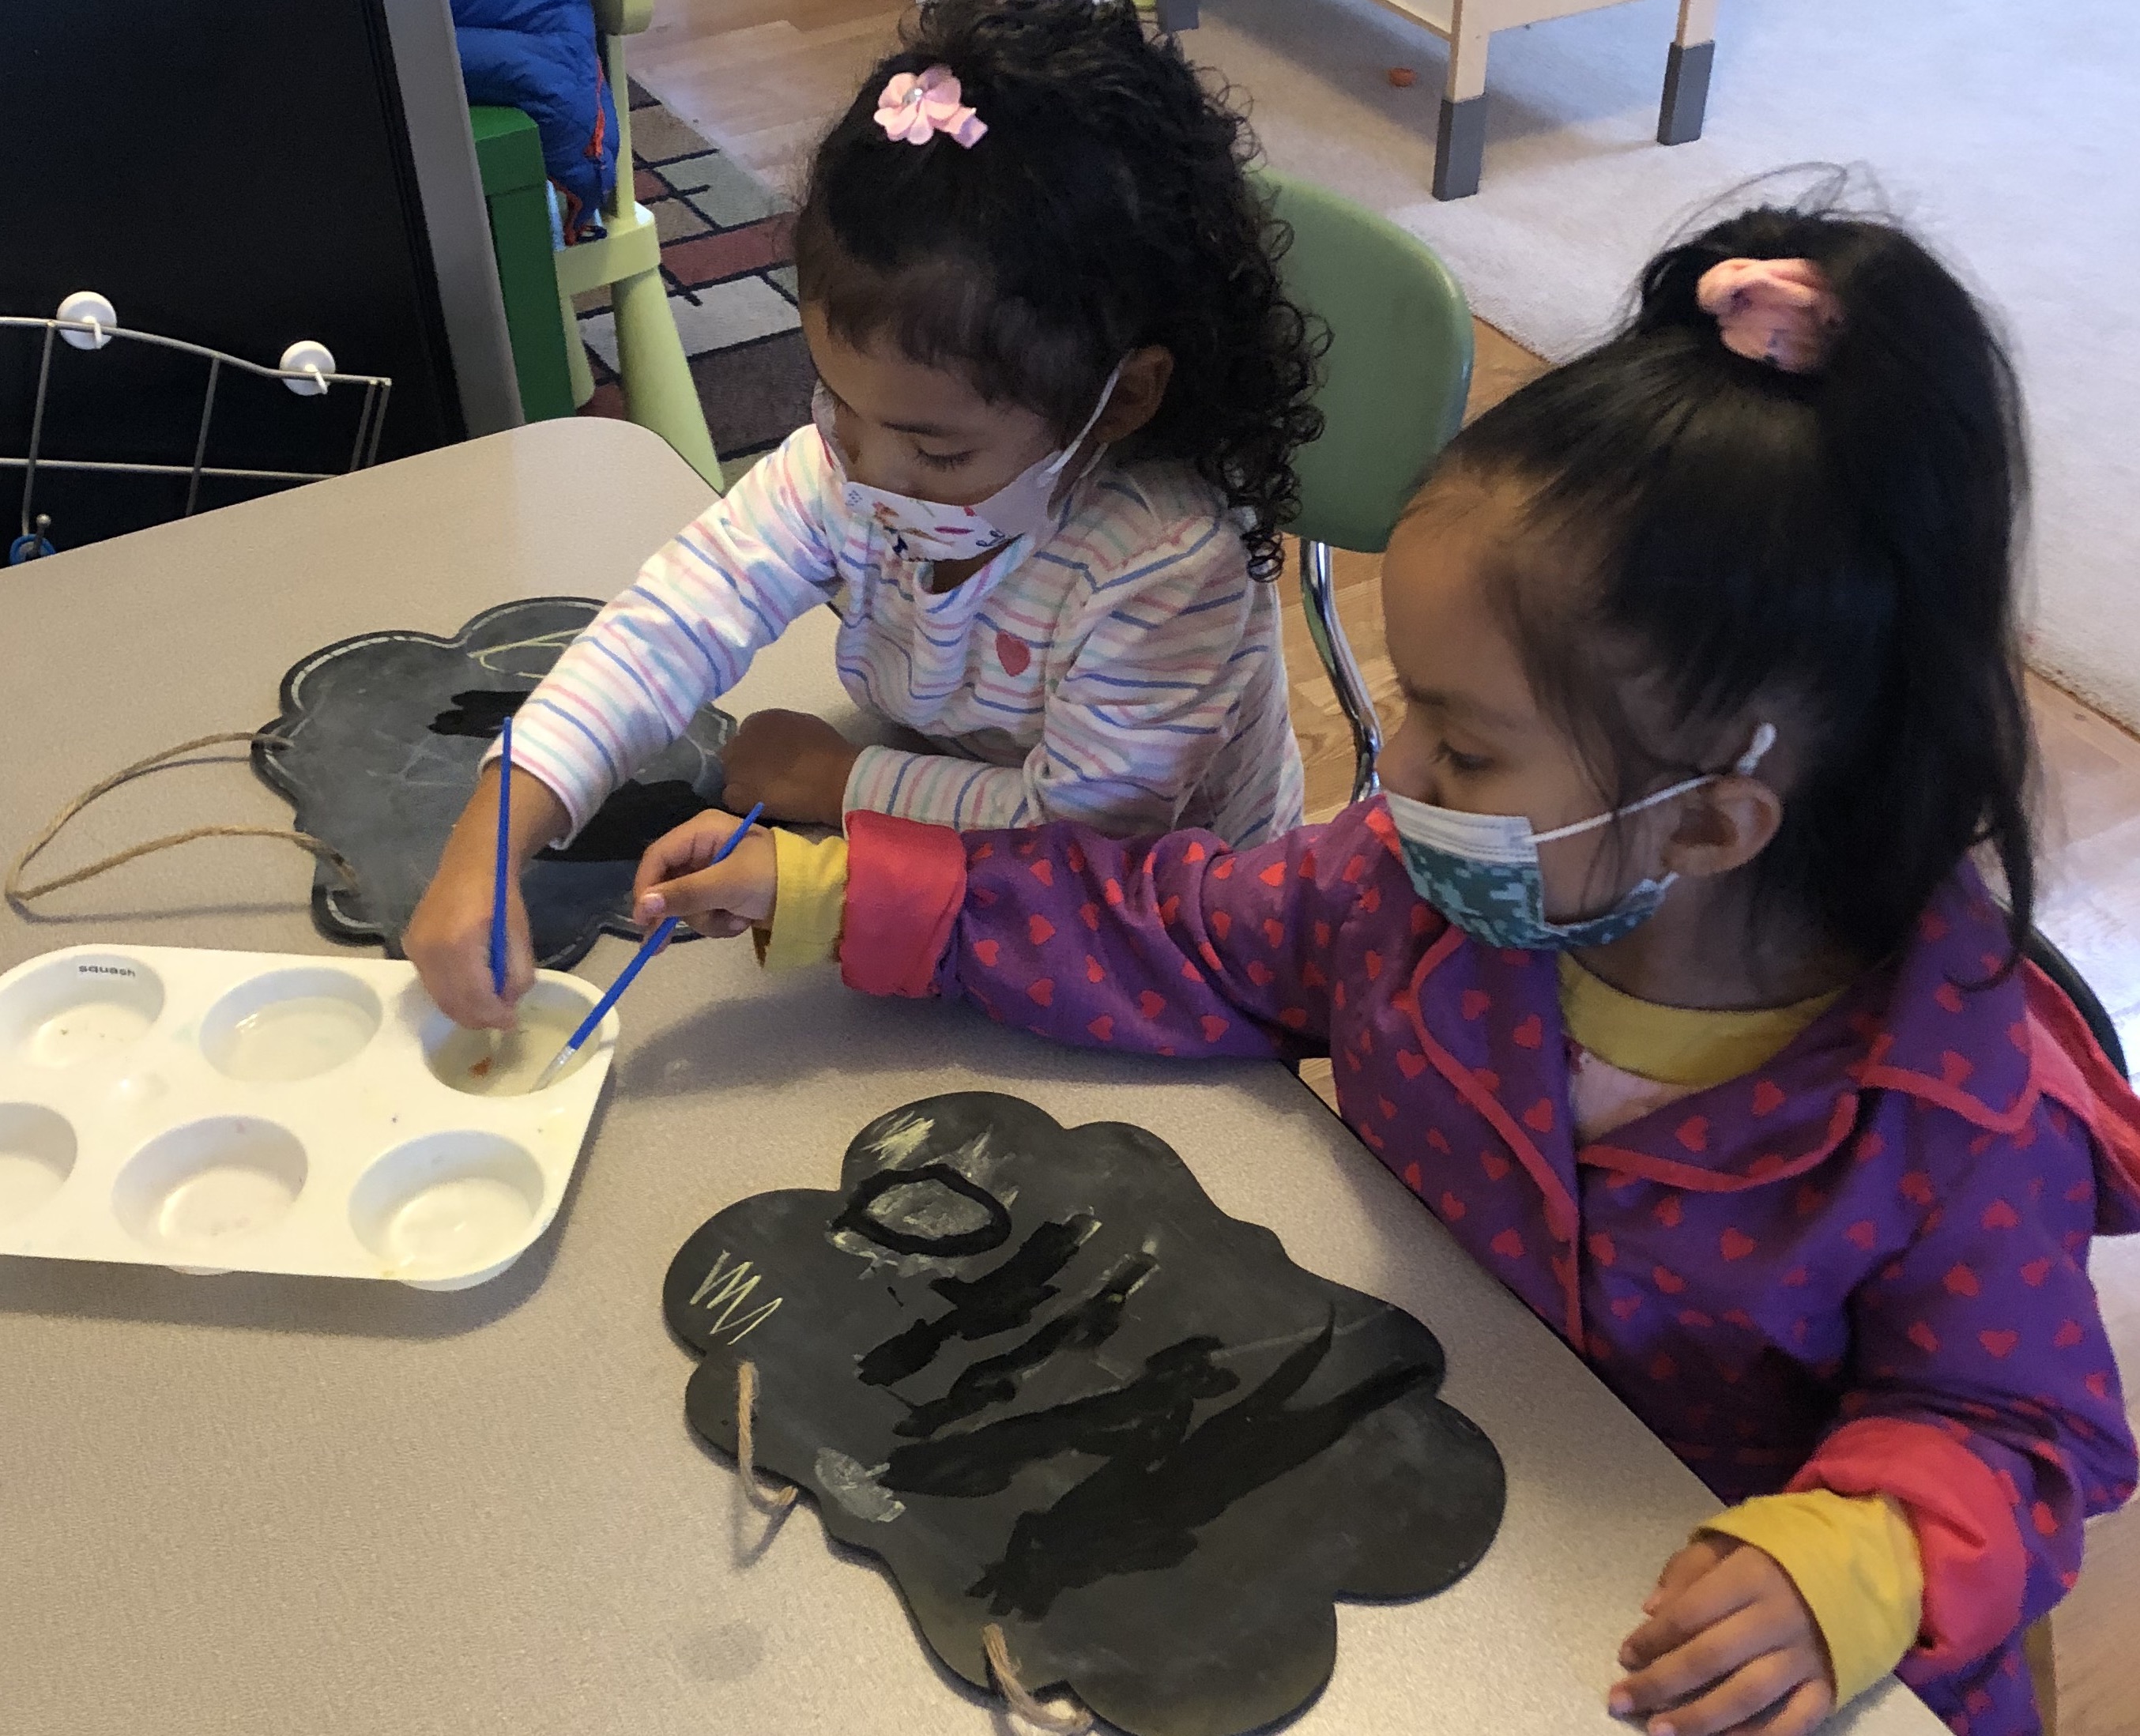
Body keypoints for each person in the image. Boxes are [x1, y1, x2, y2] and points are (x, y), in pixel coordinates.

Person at [633, 201, 2140, 1736]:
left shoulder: (1957, 1120)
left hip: (1677, 1655)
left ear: (1707, 822)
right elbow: (1170, 926)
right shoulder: (1406, 889)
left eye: (1465, 748)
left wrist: (1861, 1559)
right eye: (1408, 705)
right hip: (1408, 1518)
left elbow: (2018, 1428)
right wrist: (845, 890)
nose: (1392, 771)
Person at [407, 0, 1319, 1027]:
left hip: (1176, 948)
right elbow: (674, 619)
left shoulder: (1168, 561)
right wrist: (496, 831)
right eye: (837, 402)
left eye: (936, 448)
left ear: (1121, 400)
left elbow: (1080, 843)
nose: (866, 470)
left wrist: (843, 780)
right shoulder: (855, 458)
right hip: (953, 869)